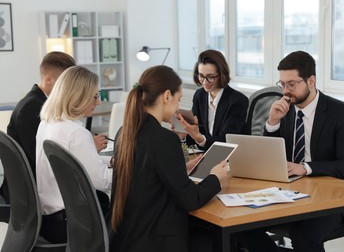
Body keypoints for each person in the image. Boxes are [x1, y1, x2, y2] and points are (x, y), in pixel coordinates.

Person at [239, 50, 344, 252]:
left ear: (311, 81)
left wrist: (306, 168)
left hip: (334, 197)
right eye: (282, 84)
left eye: (291, 84)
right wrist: (272, 123)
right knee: (240, 225)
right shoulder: (285, 109)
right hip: (291, 192)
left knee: (305, 235)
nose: (285, 91)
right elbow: (272, 157)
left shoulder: (341, 113)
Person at [109, 65, 229, 252]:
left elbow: (147, 175)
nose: (178, 107)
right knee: (212, 238)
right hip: (156, 240)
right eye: (178, 99)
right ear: (166, 96)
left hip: (127, 238)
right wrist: (215, 177)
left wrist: (182, 168)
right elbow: (191, 199)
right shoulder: (164, 139)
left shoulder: (124, 132)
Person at [2, 51, 107, 202]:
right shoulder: (33, 108)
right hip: (32, 191)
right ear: (49, 80)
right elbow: (45, 159)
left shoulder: (39, 103)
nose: (70, 87)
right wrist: (86, 147)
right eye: (66, 82)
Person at [36, 66, 113, 243]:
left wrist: (112, 160)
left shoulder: (48, 122)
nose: (98, 102)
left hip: (50, 219)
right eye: (95, 96)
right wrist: (134, 171)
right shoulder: (76, 133)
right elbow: (101, 181)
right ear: (78, 96)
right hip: (71, 223)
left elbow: (73, 160)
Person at [177, 49, 249, 150]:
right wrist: (183, 135)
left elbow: (226, 141)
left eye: (210, 77)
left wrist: (199, 137)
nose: (205, 82)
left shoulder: (238, 101)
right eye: (201, 76)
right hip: (205, 154)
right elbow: (196, 134)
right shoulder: (199, 95)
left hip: (233, 157)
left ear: (221, 74)